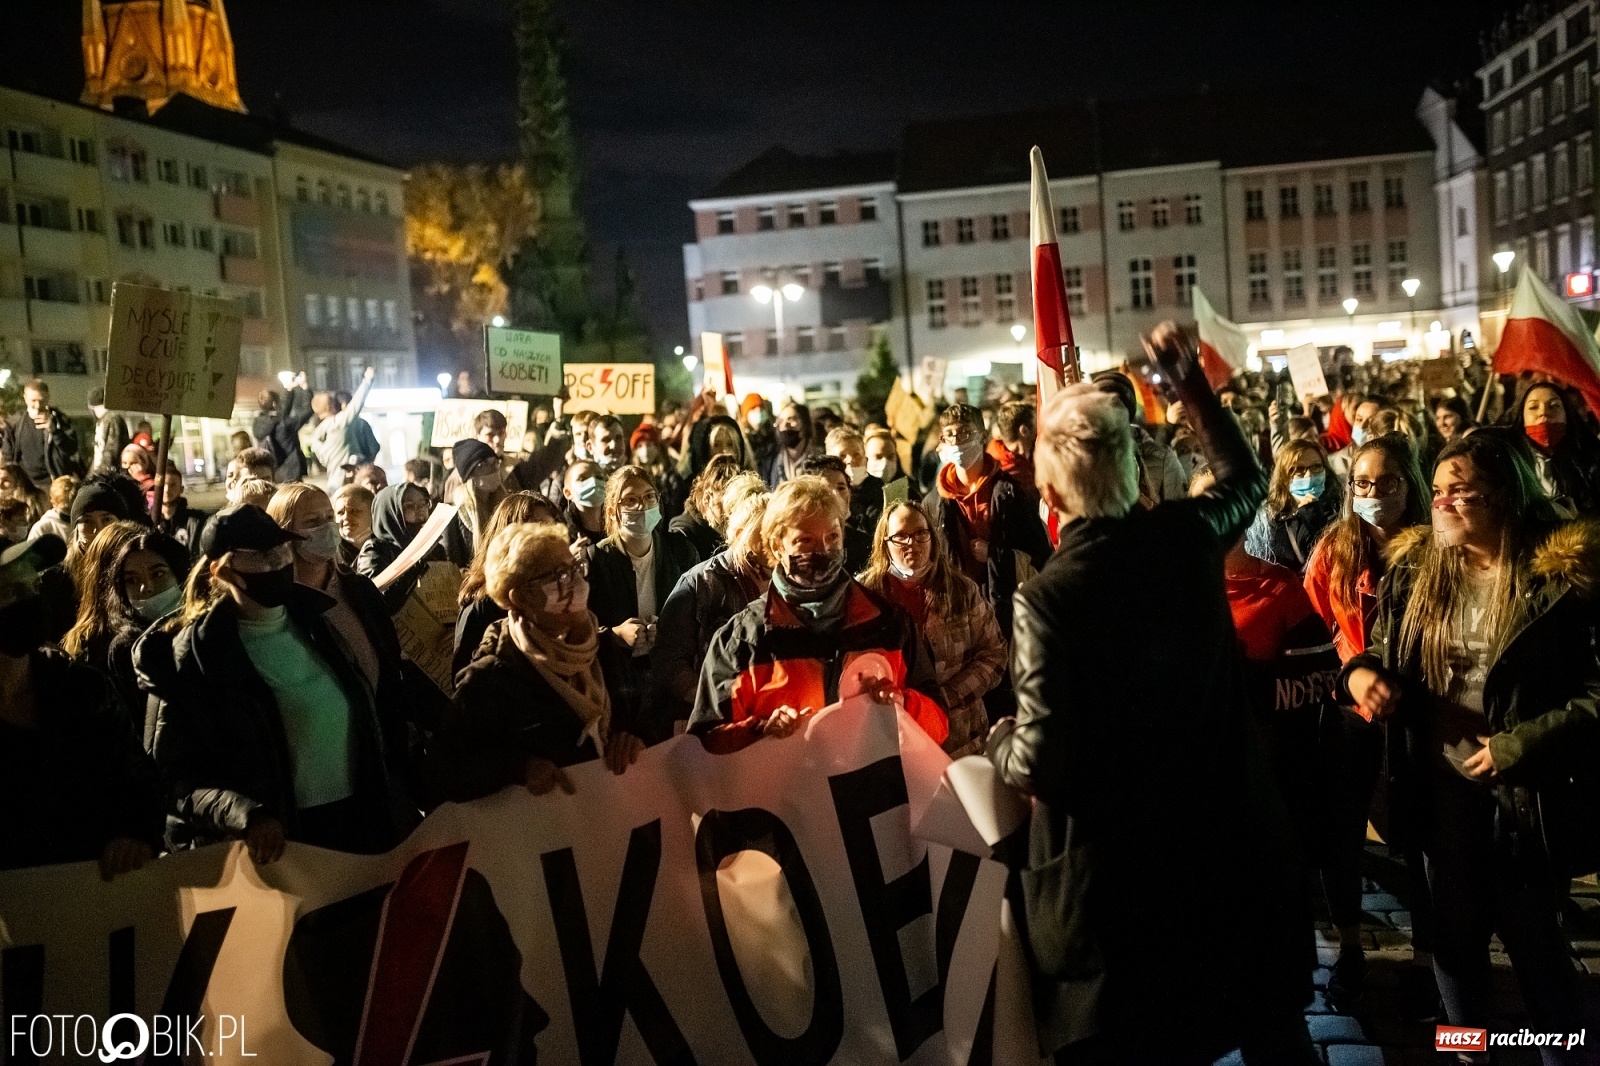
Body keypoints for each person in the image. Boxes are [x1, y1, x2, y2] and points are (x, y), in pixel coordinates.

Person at [988, 323, 1316, 1065]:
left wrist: (998, 739)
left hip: (1123, 902)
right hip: (1232, 861)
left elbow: (1036, 757)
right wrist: (1190, 385)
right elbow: (1243, 479)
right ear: (1135, 475)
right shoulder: (1186, 539)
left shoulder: (1046, 599)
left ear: (1047, 491)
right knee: (1272, 1035)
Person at [1342, 432, 1598, 1062]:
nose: (1442, 503)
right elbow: (1382, 648)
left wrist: (1518, 745)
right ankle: (1467, 1053)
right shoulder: (1415, 568)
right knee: (1454, 948)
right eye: (1437, 491)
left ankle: (1561, 1051)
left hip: (1524, 799)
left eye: (1461, 491)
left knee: (1536, 948)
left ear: (1504, 495)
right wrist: (1362, 674)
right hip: (1439, 791)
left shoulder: (1561, 577)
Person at [138, 505, 420, 856]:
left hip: (358, 824)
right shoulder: (194, 657)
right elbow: (178, 778)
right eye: (260, 555)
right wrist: (247, 815)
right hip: (277, 842)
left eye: (281, 550)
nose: (277, 562)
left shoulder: (315, 622)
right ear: (222, 569)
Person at [1300, 433, 1437, 1015]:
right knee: (1342, 837)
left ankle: (1428, 963)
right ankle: (1351, 950)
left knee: (1424, 841)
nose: (1374, 493)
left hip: (1419, 714)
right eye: (1362, 482)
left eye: (1387, 482)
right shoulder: (1335, 549)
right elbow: (1316, 622)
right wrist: (1349, 674)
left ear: (1411, 485)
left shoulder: (1436, 548)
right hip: (1350, 715)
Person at [689, 475, 945, 752]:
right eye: (805, 540)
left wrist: (903, 705)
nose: (823, 551)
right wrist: (759, 731)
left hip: (874, 779)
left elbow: (939, 723)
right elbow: (704, 745)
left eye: (832, 537)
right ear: (777, 546)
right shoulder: (744, 639)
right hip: (787, 780)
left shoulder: (888, 623)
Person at [435, 521, 656, 802]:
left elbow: (643, 713)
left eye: (576, 568)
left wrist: (633, 737)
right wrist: (518, 768)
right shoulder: (492, 678)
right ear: (521, 597)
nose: (577, 582)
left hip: (615, 812)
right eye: (560, 575)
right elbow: (443, 771)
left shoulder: (603, 650)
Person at [0, 534, 165, 875]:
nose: (30, 600)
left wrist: (134, 833)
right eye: (11, 592)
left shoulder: (82, 689)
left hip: (91, 892)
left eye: (32, 586)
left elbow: (137, 779)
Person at [269, 483, 447, 772]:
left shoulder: (358, 589)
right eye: (312, 522)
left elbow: (389, 661)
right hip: (327, 756)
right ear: (284, 531)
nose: (328, 527)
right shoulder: (281, 605)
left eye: (329, 518)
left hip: (384, 745)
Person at [859, 500, 1005, 758]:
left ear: (932, 537)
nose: (912, 543)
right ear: (885, 542)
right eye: (901, 536)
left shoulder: (961, 590)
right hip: (893, 743)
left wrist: (944, 699)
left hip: (962, 740)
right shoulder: (865, 596)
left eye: (920, 534)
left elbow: (994, 655)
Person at [923, 403, 1051, 637]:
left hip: (1005, 612)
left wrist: (994, 554)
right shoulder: (934, 502)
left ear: (982, 436)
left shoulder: (1009, 493)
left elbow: (1039, 554)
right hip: (958, 616)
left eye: (965, 432)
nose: (957, 442)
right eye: (950, 434)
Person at [588, 465, 699, 725]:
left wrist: (669, 632)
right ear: (613, 510)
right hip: (619, 682)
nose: (642, 506)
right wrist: (615, 635)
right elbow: (580, 628)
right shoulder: (596, 560)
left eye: (649, 496)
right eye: (630, 500)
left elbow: (699, 614)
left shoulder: (680, 550)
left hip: (670, 675)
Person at [654, 485, 771, 729]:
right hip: (714, 723)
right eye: (765, 534)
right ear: (740, 534)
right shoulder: (699, 583)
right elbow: (670, 661)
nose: (774, 544)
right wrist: (715, 703)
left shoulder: (787, 580)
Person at [62, 529, 190, 727]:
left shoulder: (205, 629)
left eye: (158, 574)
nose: (145, 587)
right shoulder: (126, 647)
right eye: (132, 580)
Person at [453, 492, 562, 676]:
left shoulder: (558, 589)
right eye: (535, 527)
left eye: (550, 527)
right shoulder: (483, 605)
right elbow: (464, 678)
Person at [1245, 438, 1341, 575]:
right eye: (1298, 470)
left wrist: (1312, 516)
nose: (1309, 475)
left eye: (1316, 467)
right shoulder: (1269, 520)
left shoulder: (1340, 509)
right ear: (1284, 477)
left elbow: (1334, 559)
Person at [1095, 371, 1186, 505]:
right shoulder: (1087, 460)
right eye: (1099, 407)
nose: (1108, 414)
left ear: (1128, 411)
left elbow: (1179, 511)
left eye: (1115, 406)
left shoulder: (1162, 458)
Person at [1511, 380, 1599, 517]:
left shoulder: (1591, 462)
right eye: (1533, 407)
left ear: (1567, 415)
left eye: (1554, 406)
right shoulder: (1509, 463)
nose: (1543, 413)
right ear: (1522, 417)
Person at [357, 482, 436, 610]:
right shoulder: (374, 551)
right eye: (410, 506)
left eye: (423, 503)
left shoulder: (433, 546)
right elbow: (380, 602)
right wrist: (416, 561)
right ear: (390, 513)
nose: (421, 509)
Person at [795, 454, 872, 573]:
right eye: (826, 489)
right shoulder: (801, 542)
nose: (835, 495)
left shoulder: (866, 544)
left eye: (841, 488)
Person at [2, 379, 82, 485]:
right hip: (25, 484)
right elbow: (8, 456)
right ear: (25, 398)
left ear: (48, 398)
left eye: (42, 401)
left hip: (53, 482)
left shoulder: (60, 420)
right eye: (33, 400)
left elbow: (71, 449)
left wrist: (54, 430)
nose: (38, 405)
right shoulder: (15, 423)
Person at [442, 438, 508, 568]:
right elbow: (453, 562)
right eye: (483, 464)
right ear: (469, 474)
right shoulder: (456, 515)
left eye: (494, 462)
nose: (493, 468)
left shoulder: (505, 506)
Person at [310, 366, 377, 489]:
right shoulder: (337, 424)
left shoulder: (318, 432)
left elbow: (322, 458)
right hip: (347, 484)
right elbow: (355, 406)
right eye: (333, 402)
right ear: (329, 408)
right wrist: (367, 380)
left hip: (333, 483)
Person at [668, 453, 740, 562]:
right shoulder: (684, 534)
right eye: (727, 503)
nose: (731, 511)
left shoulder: (734, 530)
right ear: (707, 498)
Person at [825, 425, 884, 539]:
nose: (851, 460)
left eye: (857, 454)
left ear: (865, 458)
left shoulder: (878, 488)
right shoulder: (825, 492)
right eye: (842, 456)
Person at [252, 376, 314, 482]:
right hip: (291, 471)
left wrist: (289, 390)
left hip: (272, 472)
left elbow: (282, 412)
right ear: (275, 404)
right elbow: (307, 411)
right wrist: (305, 388)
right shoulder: (284, 424)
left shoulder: (257, 424)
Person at [988, 400, 1038, 499]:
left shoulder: (1034, 446)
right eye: (1016, 450)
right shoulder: (1003, 465)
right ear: (1024, 431)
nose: (1022, 453)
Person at [763, 401, 818, 488]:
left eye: (791, 420)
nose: (785, 425)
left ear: (805, 424)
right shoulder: (772, 462)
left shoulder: (819, 460)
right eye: (781, 421)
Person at [560, 459, 607, 558]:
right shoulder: (561, 535)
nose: (593, 482)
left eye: (599, 477)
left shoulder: (620, 525)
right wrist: (567, 558)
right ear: (568, 493)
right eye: (582, 478)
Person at [87, 386, 130, 477]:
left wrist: (99, 477)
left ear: (93, 407)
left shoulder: (112, 419)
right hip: (104, 475)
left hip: (109, 477)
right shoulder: (105, 420)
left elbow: (111, 452)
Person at [331, 483, 374, 567]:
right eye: (340, 513)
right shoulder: (331, 558)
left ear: (372, 512)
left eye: (354, 511)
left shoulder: (387, 550)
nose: (346, 517)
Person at [27, 474, 77, 542]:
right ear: (53, 503)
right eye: (66, 509)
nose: (71, 513)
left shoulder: (87, 520)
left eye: (75, 507)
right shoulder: (43, 529)